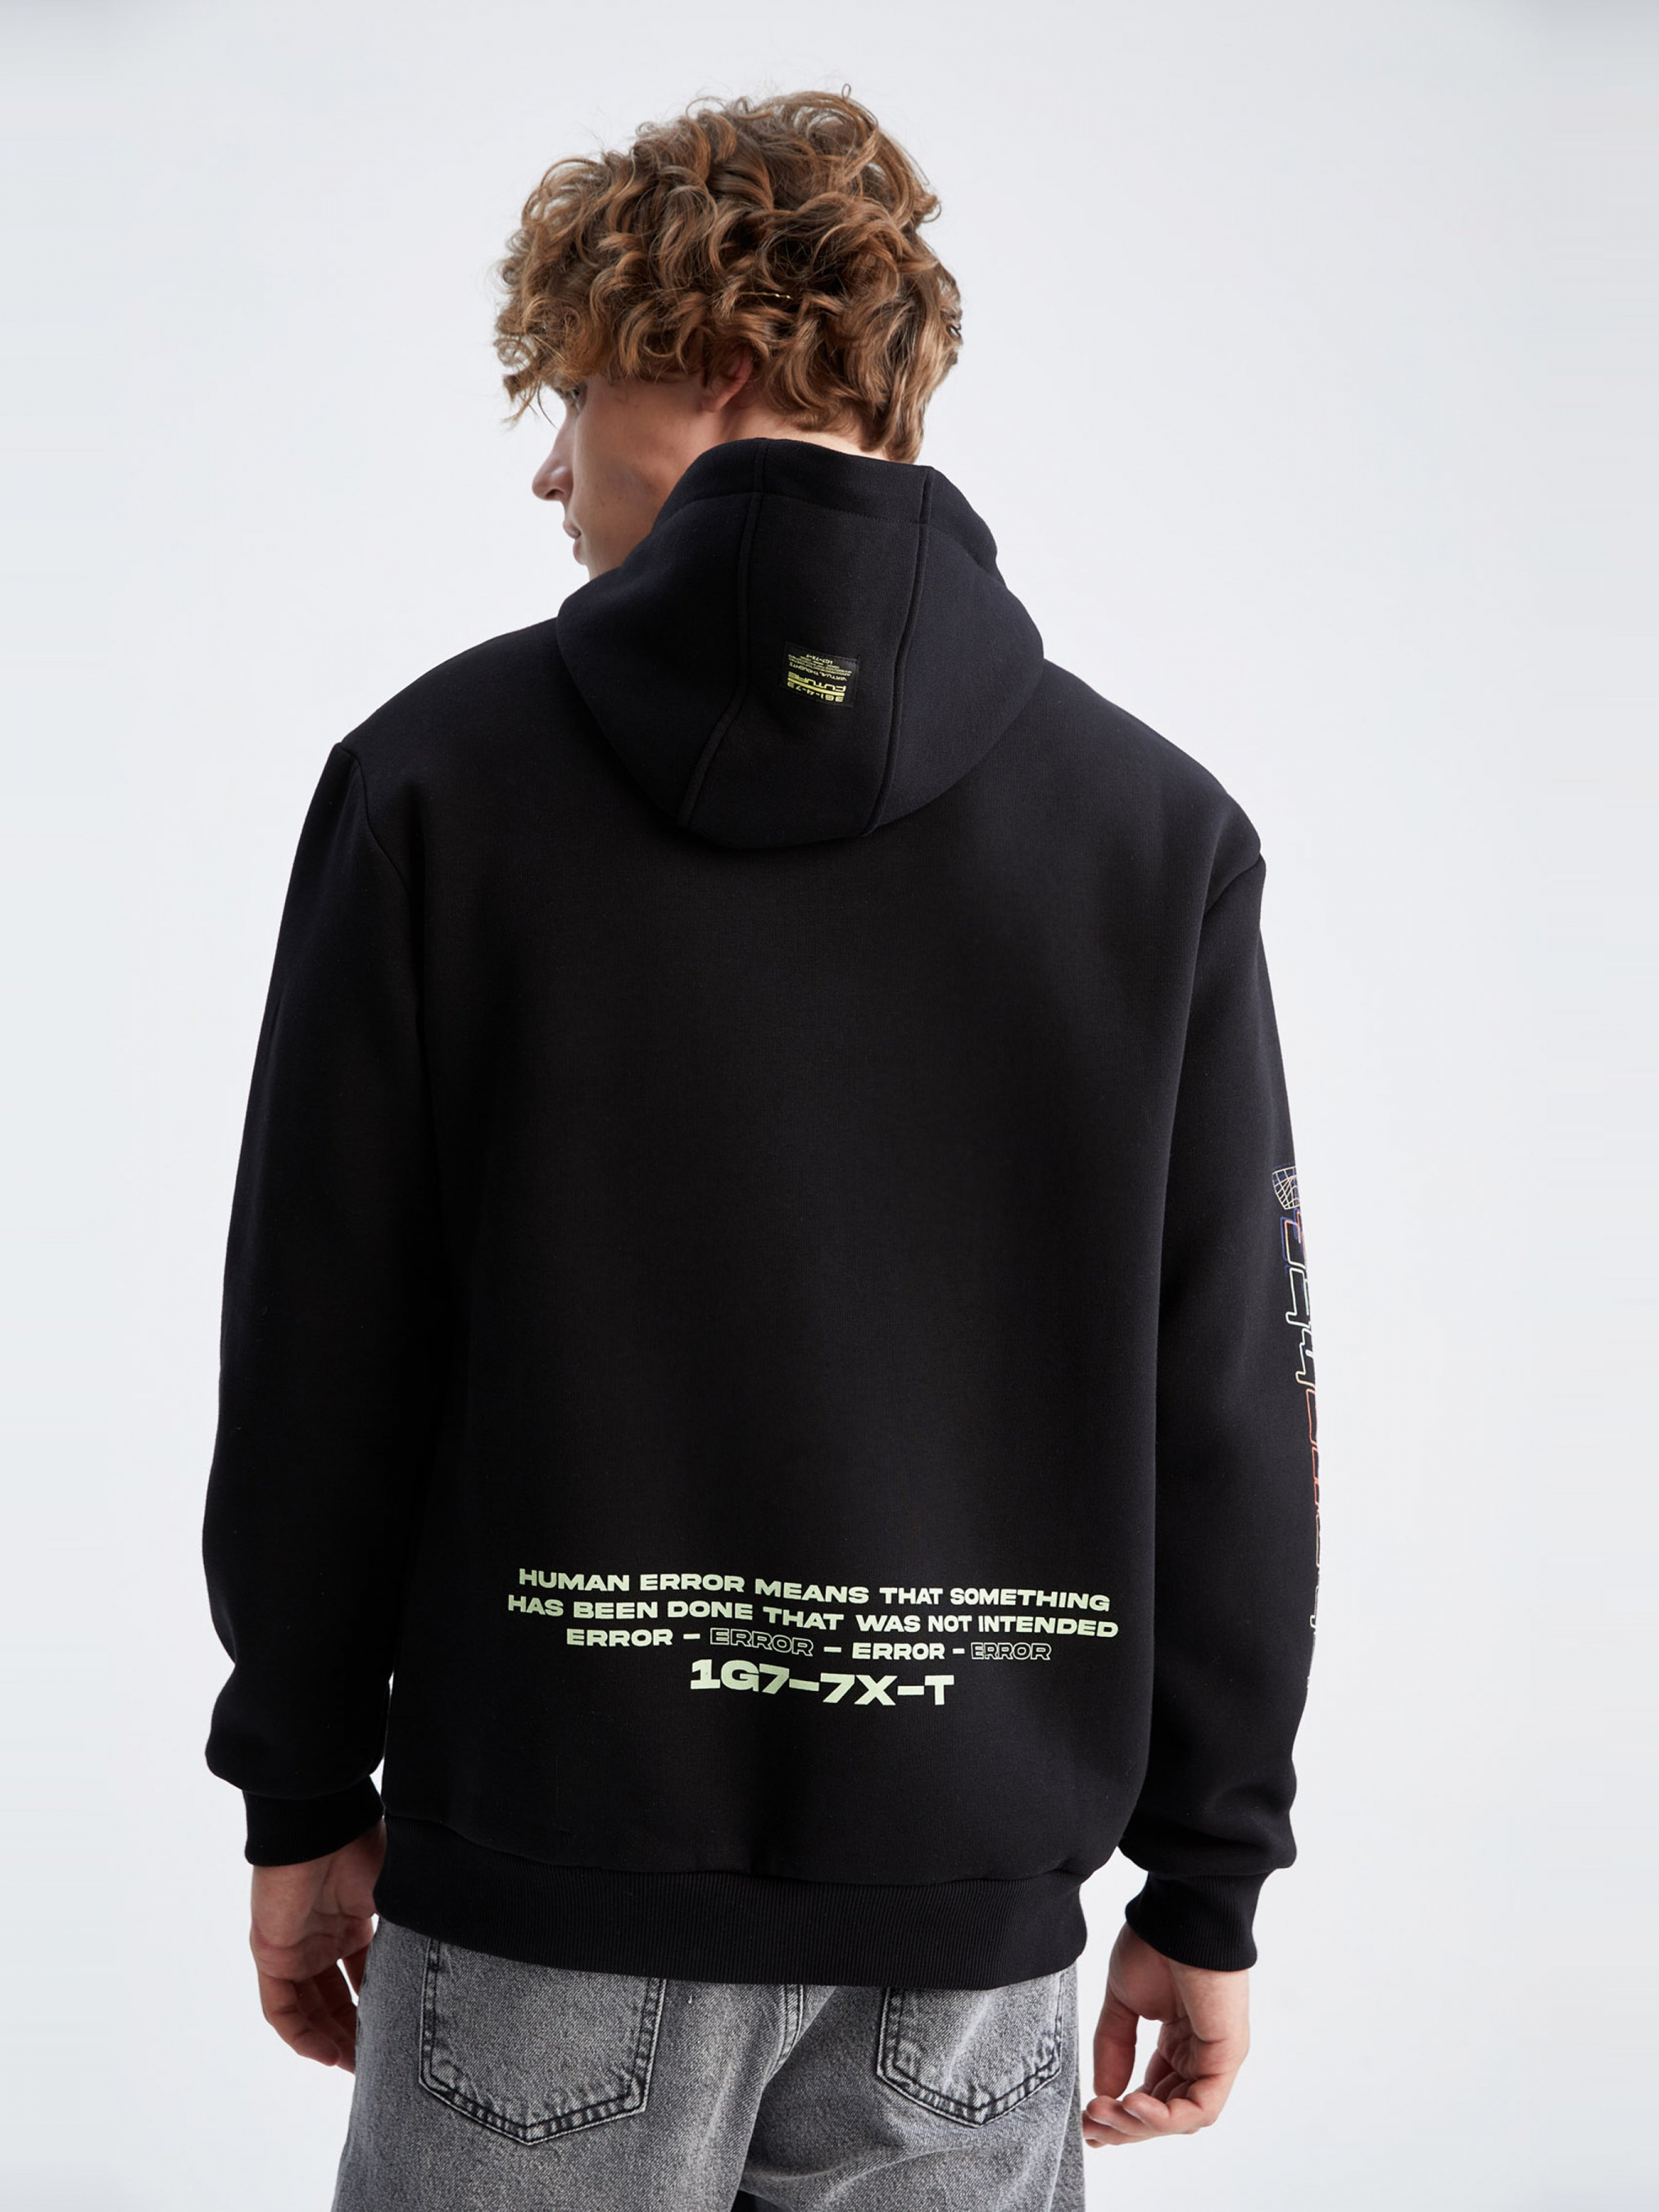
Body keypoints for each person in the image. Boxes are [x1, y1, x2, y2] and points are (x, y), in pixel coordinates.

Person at [202, 89, 1320, 2212]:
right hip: (965, 1936)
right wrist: (1209, 1871)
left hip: (540, 1884)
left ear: (713, 364)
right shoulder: (1150, 831)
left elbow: (322, 1340)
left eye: (570, 399)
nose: (548, 473)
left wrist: (298, 1784)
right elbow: (1232, 1404)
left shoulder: (435, 782)